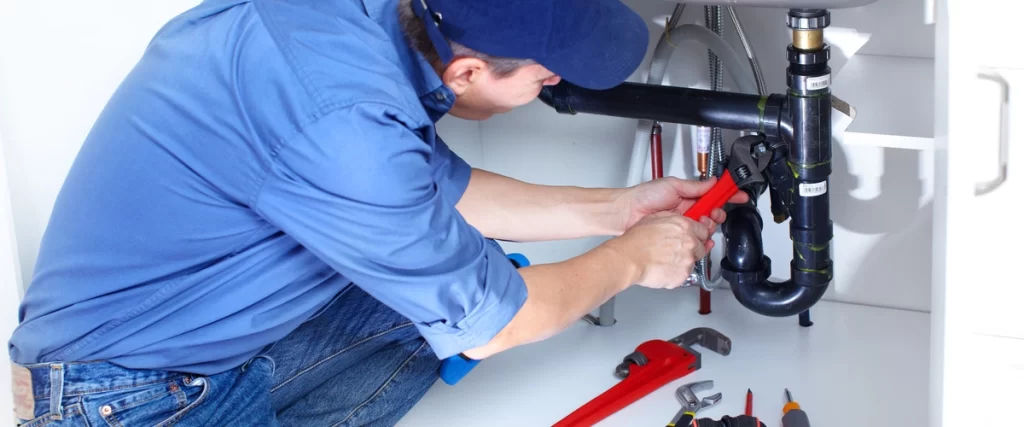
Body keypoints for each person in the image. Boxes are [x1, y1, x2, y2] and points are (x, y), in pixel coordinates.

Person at [8, 0, 747, 425]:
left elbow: (440, 194)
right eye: (543, 80)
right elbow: (498, 325)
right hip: (128, 399)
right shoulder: (347, 127)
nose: (549, 92)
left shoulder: (355, 26)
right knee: (473, 305)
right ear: (467, 70)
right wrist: (633, 261)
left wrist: (621, 210)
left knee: (437, 302)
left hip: (185, 343)